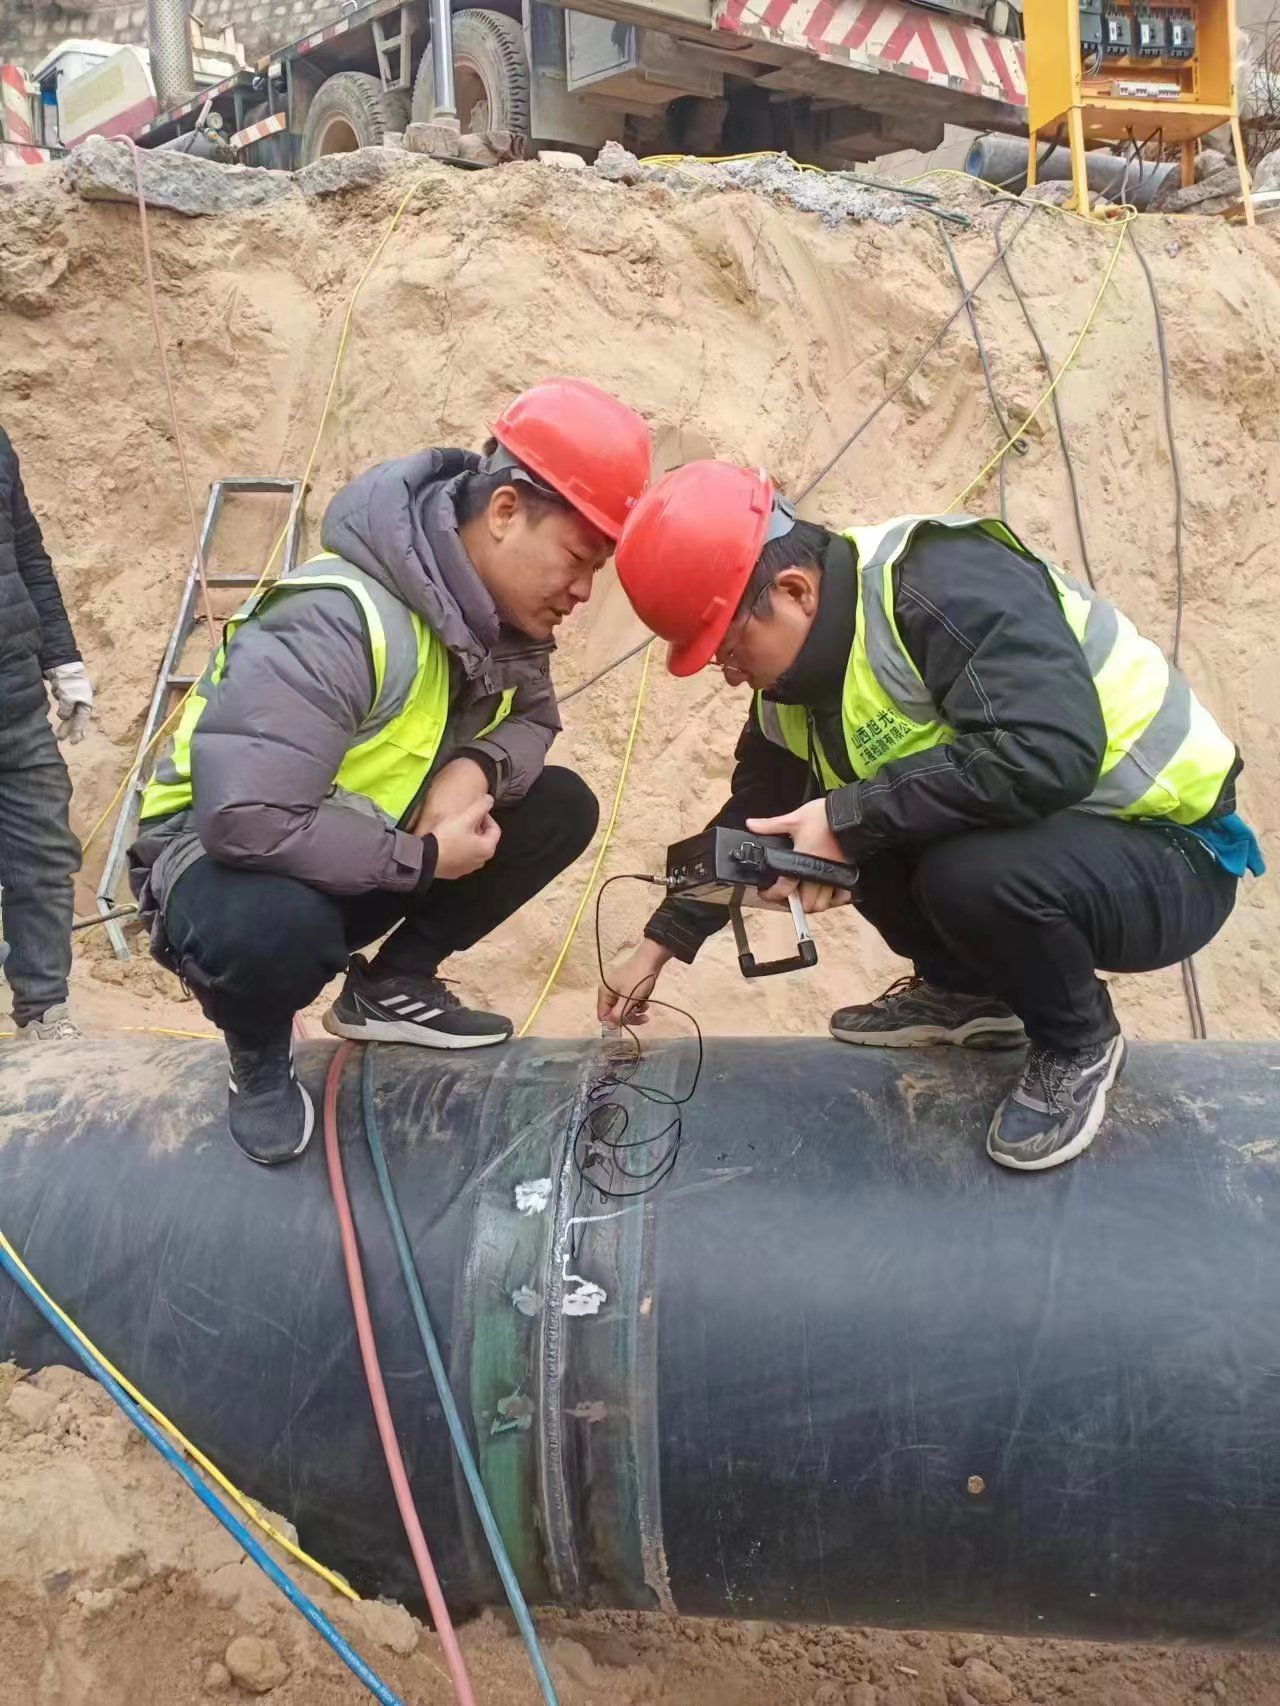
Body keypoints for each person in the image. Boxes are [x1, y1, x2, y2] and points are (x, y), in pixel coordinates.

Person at [603, 459, 1261, 1172]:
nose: (731, 674)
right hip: (1056, 852)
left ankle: (1078, 1041)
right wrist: (658, 947)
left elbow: (1050, 749)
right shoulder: (791, 697)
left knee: (935, 856)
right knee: (852, 831)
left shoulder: (938, 583)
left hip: (1173, 854)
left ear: (793, 591)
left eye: (729, 649)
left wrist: (850, 818)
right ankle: (968, 993)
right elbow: (752, 821)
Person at [129, 379, 651, 1167]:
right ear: (505, 511)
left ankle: (393, 985)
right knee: (273, 927)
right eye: (578, 558)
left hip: (361, 848)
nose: (583, 591)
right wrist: (424, 858)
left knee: (560, 805)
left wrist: (475, 767)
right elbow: (247, 820)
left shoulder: (500, 626)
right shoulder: (339, 617)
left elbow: (536, 721)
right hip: (214, 865)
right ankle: (258, 1053)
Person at [0, 425, 93, 1043]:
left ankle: (43, 1012)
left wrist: (63, 661)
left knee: (43, 858)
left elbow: (29, 556)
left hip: (15, 701)